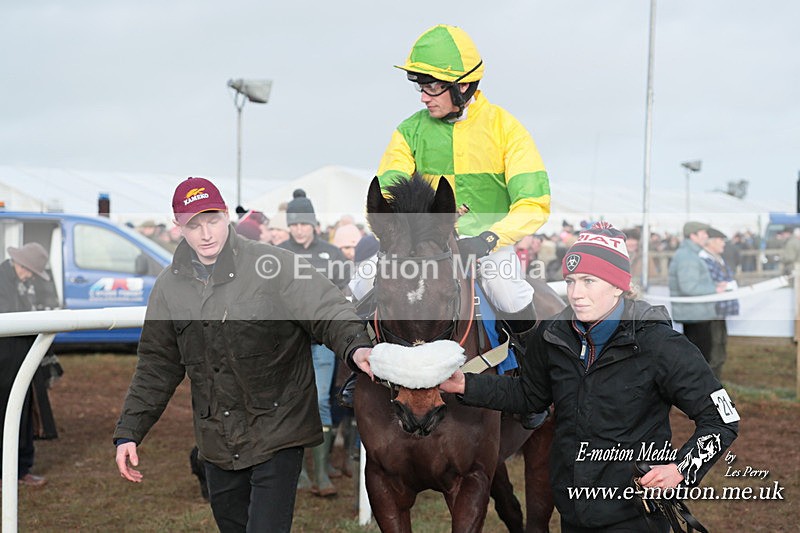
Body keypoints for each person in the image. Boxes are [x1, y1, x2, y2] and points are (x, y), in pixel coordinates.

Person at [438, 223, 739, 532]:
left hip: (636, 514)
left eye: (588, 281)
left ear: (618, 286)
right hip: (573, 511)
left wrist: (681, 468)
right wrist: (466, 385)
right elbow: (530, 395)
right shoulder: (554, 334)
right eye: (570, 281)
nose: (575, 293)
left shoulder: (660, 344)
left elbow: (721, 419)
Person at [113, 177, 373, 532]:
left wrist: (355, 346)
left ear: (225, 216)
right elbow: (156, 365)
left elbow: (326, 307)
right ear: (179, 229)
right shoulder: (168, 288)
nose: (206, 233)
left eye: (213, 220)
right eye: (194, 225)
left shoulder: (274, 263)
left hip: (279, 429)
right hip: (217, 442)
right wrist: (129, 430)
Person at [375, 23, 550, 338]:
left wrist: (488, 240)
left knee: (509, 293)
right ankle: (358, 372)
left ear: (463, 86)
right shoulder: (408, 131)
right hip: (421, 244)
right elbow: (387, 192)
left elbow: (534, 204)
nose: (424, 98)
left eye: (431, 87)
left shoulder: (508, 129)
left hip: (488, 245)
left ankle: (532, 372)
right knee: (360, 284)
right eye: (420, 87)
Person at [278, 188, 349, 497]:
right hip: (288, 343)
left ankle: (321, 473)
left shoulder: (331, 254)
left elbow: (344, 291)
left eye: (304, 223)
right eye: (294, 224)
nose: (299, 229)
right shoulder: (277, 253)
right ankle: (299, 473)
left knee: (320, 400)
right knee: (292, 402)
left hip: (321, 341)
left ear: (314, 224)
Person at [0, 242, 52, 487]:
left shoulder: (23, 283)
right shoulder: (2, 281)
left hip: (22, 357)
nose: (30, 275)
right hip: (5, 359)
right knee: (5, 412)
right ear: (19, 264)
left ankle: (21, 468)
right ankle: (6, 472)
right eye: (29, 270)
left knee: (24, 412)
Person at [668, 221, 729, 378]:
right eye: (703, 233)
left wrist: (714, 286)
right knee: (700, 359)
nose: (706, 236)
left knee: (699, 357)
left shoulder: (691, 254)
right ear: (693, 236)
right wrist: (715, 289)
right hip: (696, 315)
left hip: (697, 313)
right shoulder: (688, 257)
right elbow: (688, 287)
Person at [699, 227, 740, 380]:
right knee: (714, 347)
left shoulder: (717, 258)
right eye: (720, 240)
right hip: (712, 311)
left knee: (721, 344)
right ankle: (712, 383)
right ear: (711, 242)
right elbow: (715, 284)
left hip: (719, 310)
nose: (723, 244)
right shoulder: (705, 260)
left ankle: (717, 381)